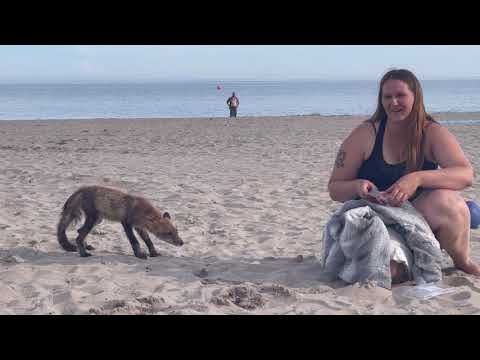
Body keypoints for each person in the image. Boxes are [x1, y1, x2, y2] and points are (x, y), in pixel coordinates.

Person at [327, 68, 480, 278]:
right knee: (390, 272)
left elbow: (465, 175)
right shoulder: (366, 134)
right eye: (387, 97)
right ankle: (411, 256)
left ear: (416, 97)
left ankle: (462, 261)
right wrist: (356, 186)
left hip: (420, 215)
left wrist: (416, 178)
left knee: (450, 202)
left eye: (400, 95)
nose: (393, 102)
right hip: (377, 218)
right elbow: (335, 189)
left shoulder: (431, 132)